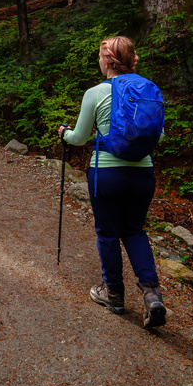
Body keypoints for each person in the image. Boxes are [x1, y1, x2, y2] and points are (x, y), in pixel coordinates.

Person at [57, 35, 166, 328]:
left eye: (100, 57)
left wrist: (64, 133)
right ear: (132, 60)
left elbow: (79, 138)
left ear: (108, 61)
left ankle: (114, 294)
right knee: (134, 230)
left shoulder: (96, 92)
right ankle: (152, 294)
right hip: (143, 173)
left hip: (106, 173)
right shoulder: (148, 90)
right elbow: (159, 136)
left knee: (107, 233)